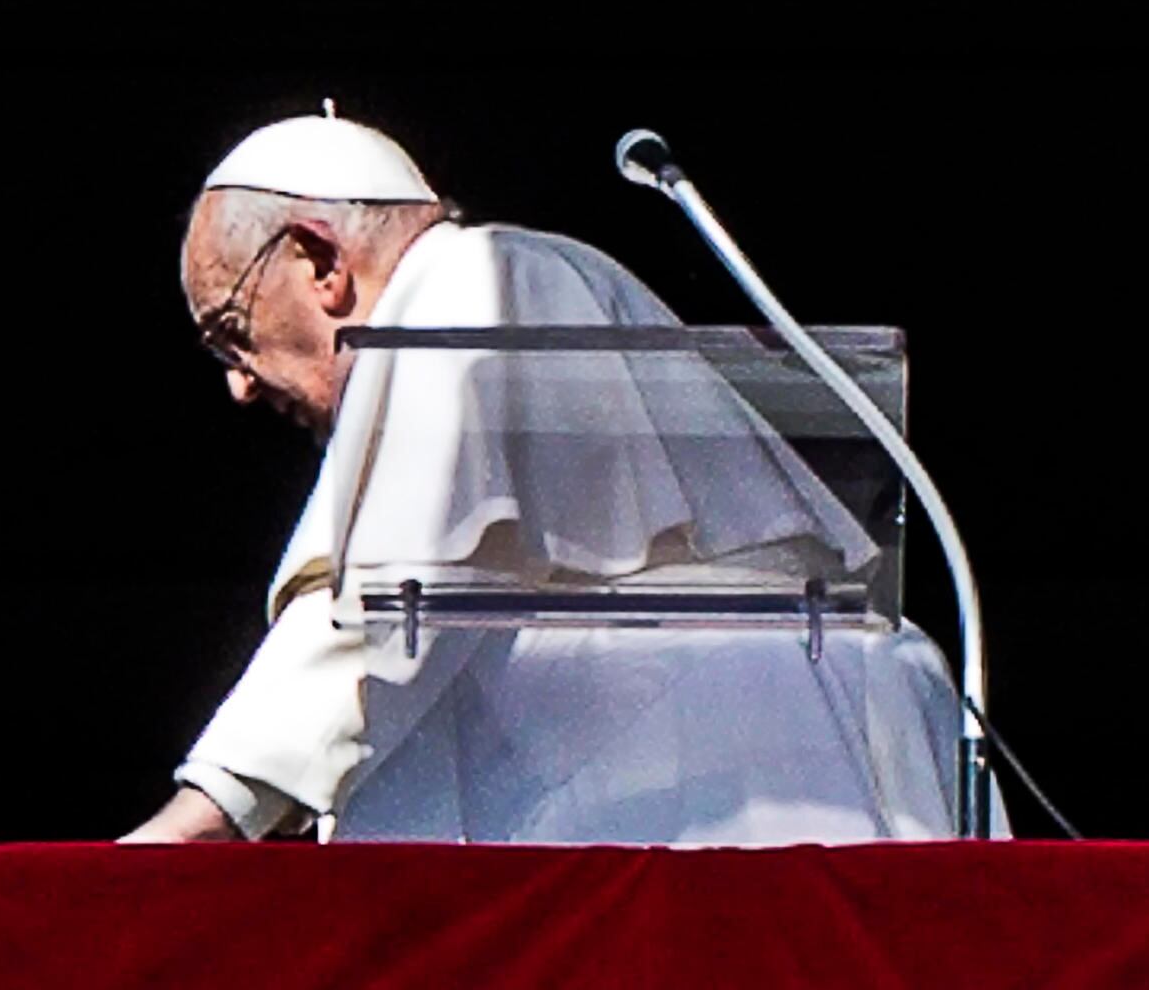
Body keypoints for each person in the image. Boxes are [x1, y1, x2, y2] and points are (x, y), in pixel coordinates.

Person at [124, 110, 974, 846]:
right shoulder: (536, 277)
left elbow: (396, 596)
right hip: (765, 785)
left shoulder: (473, 280)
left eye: (231, 331)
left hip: (716, 797)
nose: (238, 383)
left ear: (319, 262)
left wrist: (203, 815)